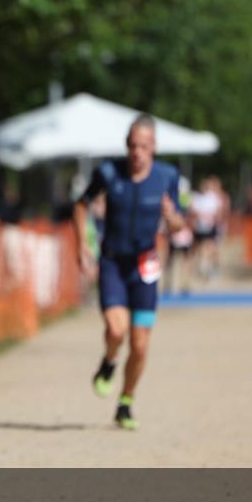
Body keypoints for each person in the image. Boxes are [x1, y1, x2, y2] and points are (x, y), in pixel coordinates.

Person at [72, 114, 185, 430]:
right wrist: (83, 244)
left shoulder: (167, 177)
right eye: (133, 146)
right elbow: (80, 205)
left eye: (144, 147)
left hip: (145, 267)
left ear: (154, 147)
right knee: (117, 330)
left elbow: (179, 225)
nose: (138, 153)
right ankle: (109, 362)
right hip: (112, 263)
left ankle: (126, 402)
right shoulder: (109, 173)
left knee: (140, 345)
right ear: (127, 146)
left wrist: (172, 215)